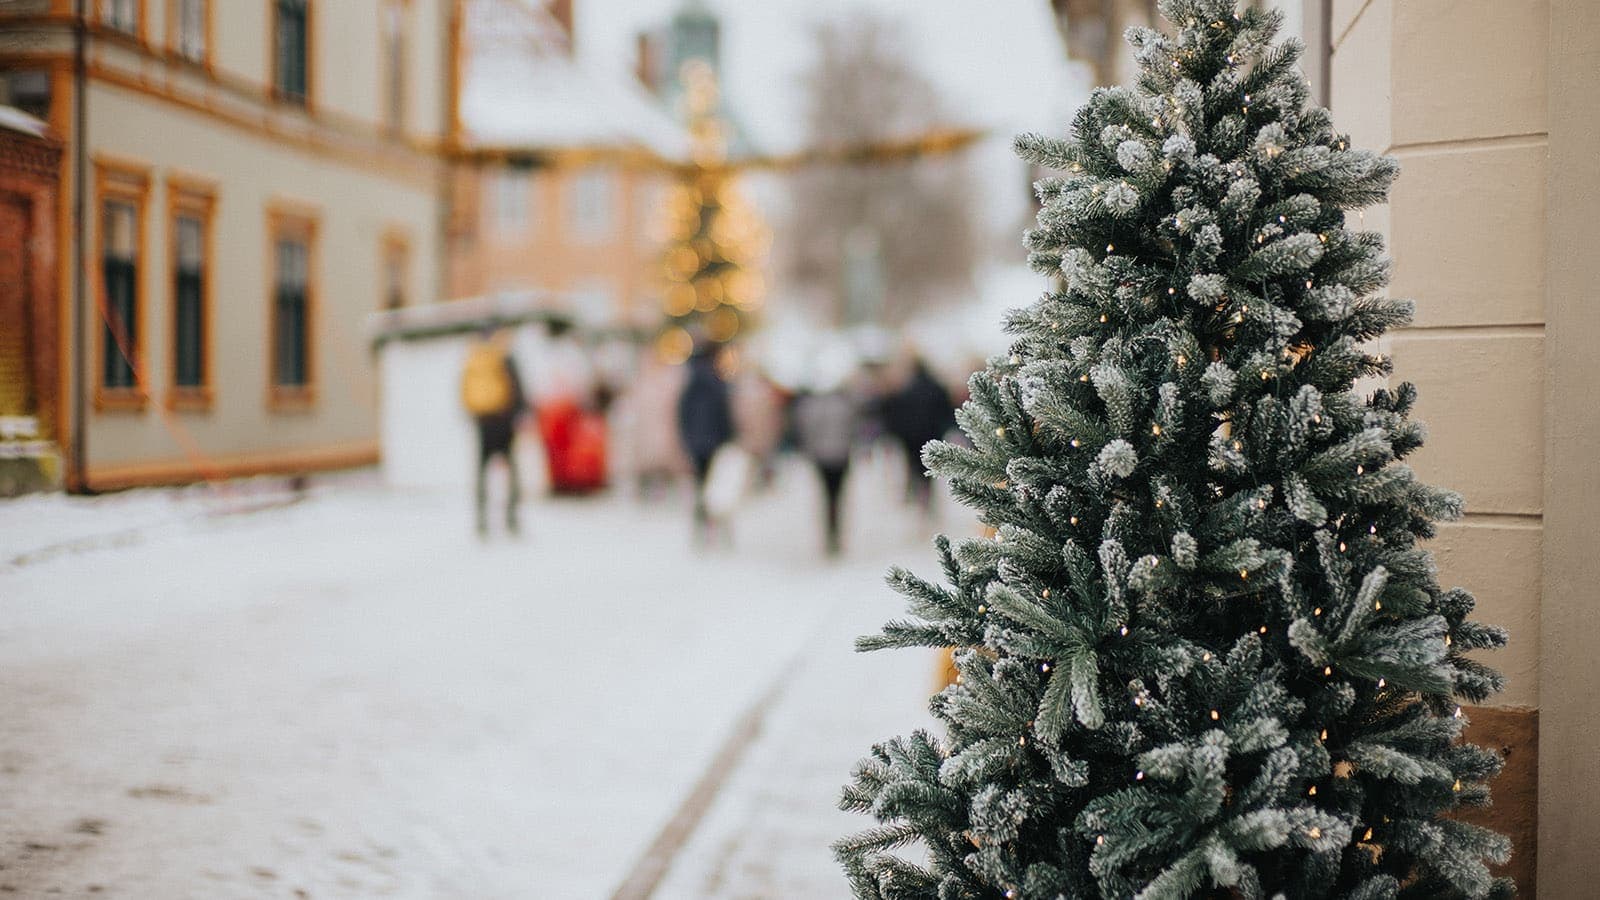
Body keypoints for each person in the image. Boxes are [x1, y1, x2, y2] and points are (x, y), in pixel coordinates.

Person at [460, 325, 527, 537]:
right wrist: (520, 413)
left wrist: (474, 415)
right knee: (511, 471)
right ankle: (511, 518)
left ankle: (481, 519)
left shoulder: (475, 356)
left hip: (483, 421)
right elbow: (518, 388)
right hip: (504, 421)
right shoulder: (504, 356)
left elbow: (463, 390)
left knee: (482, 470)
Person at [880, 356, 957, 513]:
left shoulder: (906, 388)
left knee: (912, 466)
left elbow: (895, 414)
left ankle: (915, 496)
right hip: (931, 435)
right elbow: (947, 412)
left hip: (911, 437)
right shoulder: (936, 388)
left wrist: (896, 434)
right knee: (928, 471)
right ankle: (925, 500)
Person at [675, 343, 733, 545]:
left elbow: (682, 414)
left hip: (696, 442)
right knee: (715, 486)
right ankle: (715, 525)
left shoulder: (690, 381)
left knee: (701, 485)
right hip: (714, 441)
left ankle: (701, 527)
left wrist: (686, 437)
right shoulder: (717, 382)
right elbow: (725, 414)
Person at [794, 384, 859, 557]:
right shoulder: (846, 404)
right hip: (841, 456)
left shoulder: (810, 406)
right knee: (838, 495)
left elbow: (805, 432)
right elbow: (854, 429)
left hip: (822, 457)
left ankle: (829, 533)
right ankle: (836, 532)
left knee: (826, 496)